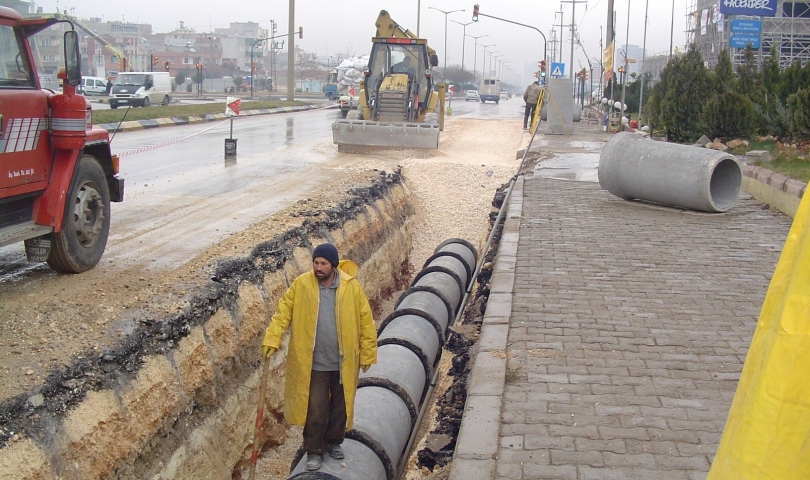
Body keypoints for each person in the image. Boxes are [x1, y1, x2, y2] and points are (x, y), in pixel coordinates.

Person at [261, 243, 377, 472]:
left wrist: (368, 352)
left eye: (323, 263)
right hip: (314, 363)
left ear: (333, 265)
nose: (318, 267)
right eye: (316, 262)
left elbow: (366, 321)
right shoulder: (302, 285)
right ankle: (314, 450)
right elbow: (282, 312)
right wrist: (272, 338)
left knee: (340, 407)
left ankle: (334, 442)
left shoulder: (350, 288)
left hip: (343, 362)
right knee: (316, 408)